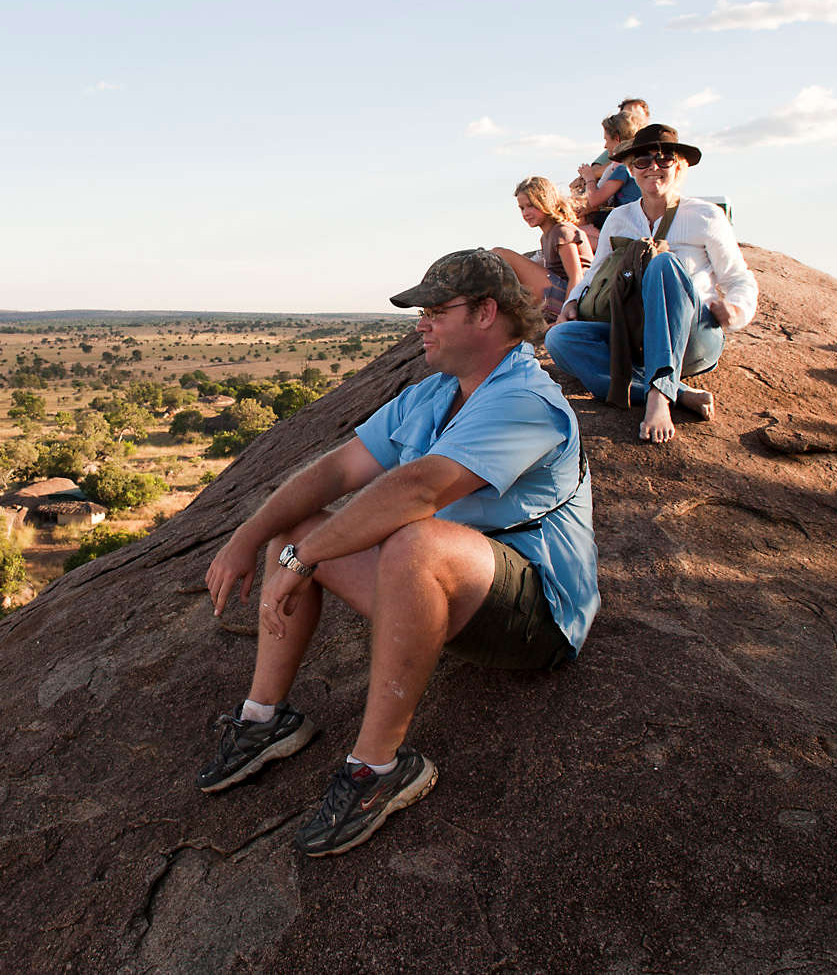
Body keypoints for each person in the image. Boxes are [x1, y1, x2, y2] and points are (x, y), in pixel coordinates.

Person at [198, 249, 599, 857]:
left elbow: (419, 489)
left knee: (411, 539)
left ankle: (378, 768)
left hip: (534, 614)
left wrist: (303, 561)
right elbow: (337, 471)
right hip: (448, 591)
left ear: (487, 313)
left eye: (437, 311)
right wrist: (248, 540)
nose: (421, 324)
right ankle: (263, 718)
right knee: (293, 529)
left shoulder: (524, 399)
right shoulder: (436, 394)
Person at [544, 123, 758, 445]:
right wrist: (574, 300)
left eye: (664, 159)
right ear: (631, 169)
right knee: (560, 339)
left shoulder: (705, 216)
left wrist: (736, 310)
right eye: (642, 161)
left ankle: (660, 395)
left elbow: (738, 278)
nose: (653, 167)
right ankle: (679, 392)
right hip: (636, 335)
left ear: (680, 167)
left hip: (691, 337)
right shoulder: (620, 218)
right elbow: (594, 272)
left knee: (662, 262)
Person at [491, 175, 594, 322]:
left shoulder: (562, 231)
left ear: (546, 202)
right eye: (522, 208)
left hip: (575, 298)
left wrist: (564, 314)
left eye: (531, 205)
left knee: (500, 254)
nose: (525, 213)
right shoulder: (546, 236)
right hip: (561, 294)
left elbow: (576, 275)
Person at [576, 112, 641, 238]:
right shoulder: (632, 163)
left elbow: (595, 200)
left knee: (573, 232)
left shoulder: (623, 167)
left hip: (628, 222)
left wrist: (589, 177)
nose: (605, 146)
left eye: (606, 140)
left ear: (617, 138)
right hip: (629, 219)